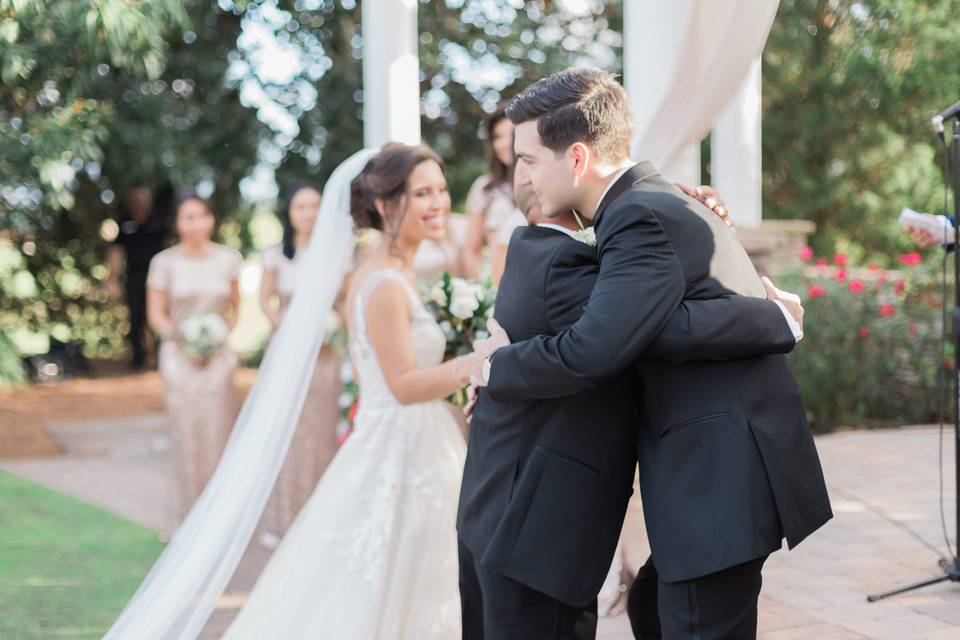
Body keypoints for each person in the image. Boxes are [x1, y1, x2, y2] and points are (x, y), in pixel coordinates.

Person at [473, 68, 833, 639]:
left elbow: (595, 348)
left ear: (578, 158)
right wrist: (774, 321)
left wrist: (494, 366)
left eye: (529, 160)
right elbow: (651, 326)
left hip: (716, 475)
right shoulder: (652, 203)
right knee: (654, 607)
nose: (519, 177)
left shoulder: (639, 216)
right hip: (719, 468)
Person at [222, 144, 481, 639]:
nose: (439, 203)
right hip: (402, 448)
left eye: (441, 190)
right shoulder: (383, 282)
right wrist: (472, 364)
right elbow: (401, 386)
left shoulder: (397, 273)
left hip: (412, 440)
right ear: (385, 205)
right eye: (422, 193)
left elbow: (371, 377)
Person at [146, 193, 242, 522]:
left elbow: (234, 310)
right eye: (189, 217)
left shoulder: (229, 259)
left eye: (203, 216)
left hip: (218, 359)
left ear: (212, 219)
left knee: (219, 431)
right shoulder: (164, 262)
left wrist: (216, 336)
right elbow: (156, 315)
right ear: (177, 222)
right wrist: (184, 337)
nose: (197, 223)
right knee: (186, 433)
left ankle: (220, 514)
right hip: (179, 357)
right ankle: (187, 512)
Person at [257, 183, 343, 546]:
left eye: (314, 206)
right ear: (288, 213)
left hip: (325, 356)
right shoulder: (277, 255)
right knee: (288, 431)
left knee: (323, 430)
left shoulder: (338, 252)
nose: (308, 213)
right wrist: (291, 330)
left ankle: (324, 517)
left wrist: (330, 327)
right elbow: (265, 302)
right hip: (289, 353)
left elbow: (345, 300)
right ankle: (284, 518)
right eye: (301, 207)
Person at [106, 184, 170, 368]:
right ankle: (138, 357)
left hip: (159, 280)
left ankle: (161, 356)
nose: (139, 201)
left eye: (143, 197)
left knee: (159, 314)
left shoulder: (159, 221)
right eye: (135, 198)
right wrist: (112, 278)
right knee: (135, 317)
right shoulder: (125, 224)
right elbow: (116, 251)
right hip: (135, 277)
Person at [462, 106, 527, 284]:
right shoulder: (484, 188)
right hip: (495, 285)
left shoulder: (538, 184)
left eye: (510, 134)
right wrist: (480, 294)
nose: (504, 143)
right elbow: (471, 250)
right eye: (498, 137)